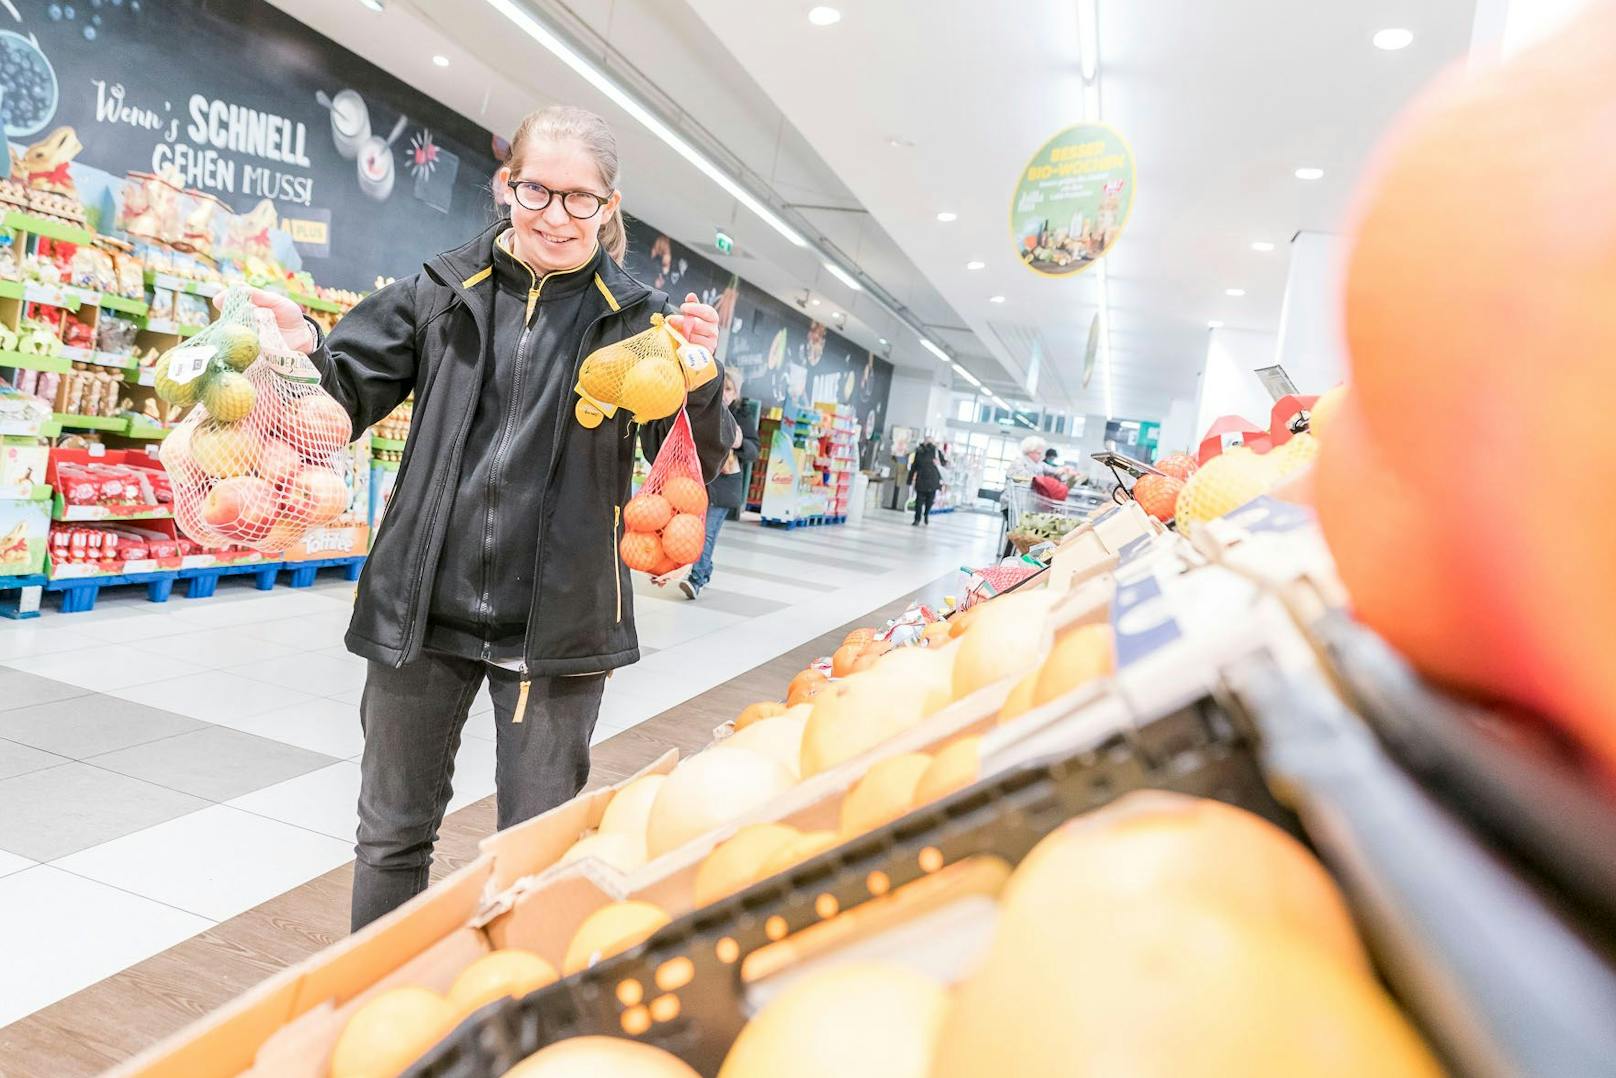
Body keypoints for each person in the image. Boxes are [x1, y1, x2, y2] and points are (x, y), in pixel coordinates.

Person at [241, 106, 732, 931]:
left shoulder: (640, 321)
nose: (555, 215)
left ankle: (500, 1020)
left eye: (581, 199)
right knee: (391, 837)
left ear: (610, 206)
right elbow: (343, 394)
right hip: (422, 612)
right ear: (508, 187)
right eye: (537, 189)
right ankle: (378, 1014)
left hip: (560, 624)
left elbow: (697, 460)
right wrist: (302, 354)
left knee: (533, 857)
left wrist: (705, 380)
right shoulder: (441, 289)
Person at [682, 367, 758, 599]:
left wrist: (740, 442)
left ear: (736, 393)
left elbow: (754, 451)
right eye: (721, 387)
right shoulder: (706, 410)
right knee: (697, 533)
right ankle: (705, 570)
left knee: (707, 534)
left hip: (725, 486)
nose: (724, 393)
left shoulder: (742, 417)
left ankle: (696, 579)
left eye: (729, 389)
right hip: (700, 481)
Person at [909, 436, 948, 526]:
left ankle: (925, 515)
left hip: (932, 480)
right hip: (924, 480)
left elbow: (943, 464)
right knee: (919, 501)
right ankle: (918, 518)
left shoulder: (937, 452)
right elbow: (914, 466)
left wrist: (940, 463)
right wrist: (910, 479)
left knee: (928, 501)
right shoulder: (919, 451)